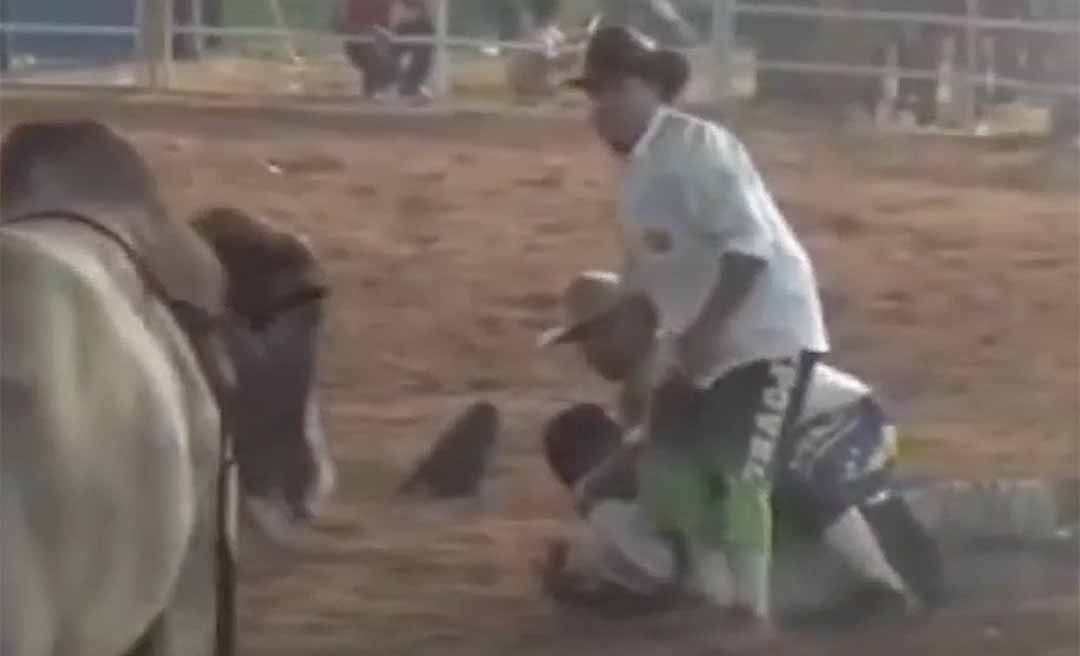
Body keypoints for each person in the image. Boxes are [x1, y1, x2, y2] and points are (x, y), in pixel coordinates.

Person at [565, 25, 831, 647]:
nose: (599, 105)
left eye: (612, 89)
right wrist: (653, 349)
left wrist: (701, 334)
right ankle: (714, 591)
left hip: (766, 334)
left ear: (651, 89)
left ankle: (752, 611)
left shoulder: (698, 148)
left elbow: (749, 250)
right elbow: (653, 277)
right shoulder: (644, 168)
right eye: (593, 92)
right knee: (668, 462)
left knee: (741, 469)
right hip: (701, 338)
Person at [534, 271, 945, 623]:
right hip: (832, 451)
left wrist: (591, 491)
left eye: (599, 332)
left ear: (637, 319)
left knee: (761, 472)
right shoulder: (643, 389)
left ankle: (884, 586)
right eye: (583, 341)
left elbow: (650, 450)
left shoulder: (677, 359)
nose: (590, 352)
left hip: (852, 426)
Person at [336, 0, 433, 104]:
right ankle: (395, 88)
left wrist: (402, 18)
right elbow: (348, 24)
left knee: (424, 28)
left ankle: (410, 85)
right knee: (374, 38)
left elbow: (418, 9)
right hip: (362, 40)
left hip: (387, 33)